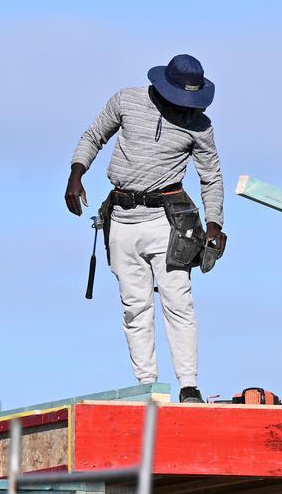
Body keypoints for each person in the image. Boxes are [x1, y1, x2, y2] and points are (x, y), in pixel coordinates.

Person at [64, 54, 225, 404]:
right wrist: (76, 173)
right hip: (121, 217)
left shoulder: (200, 125)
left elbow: (211, 177)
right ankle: (148, 385)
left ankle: (189, 385)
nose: (185, 106)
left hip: (167, 220)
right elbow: (93, 135)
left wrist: (215, 223)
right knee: (134, 305)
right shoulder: (126, 100)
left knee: (178, 300)